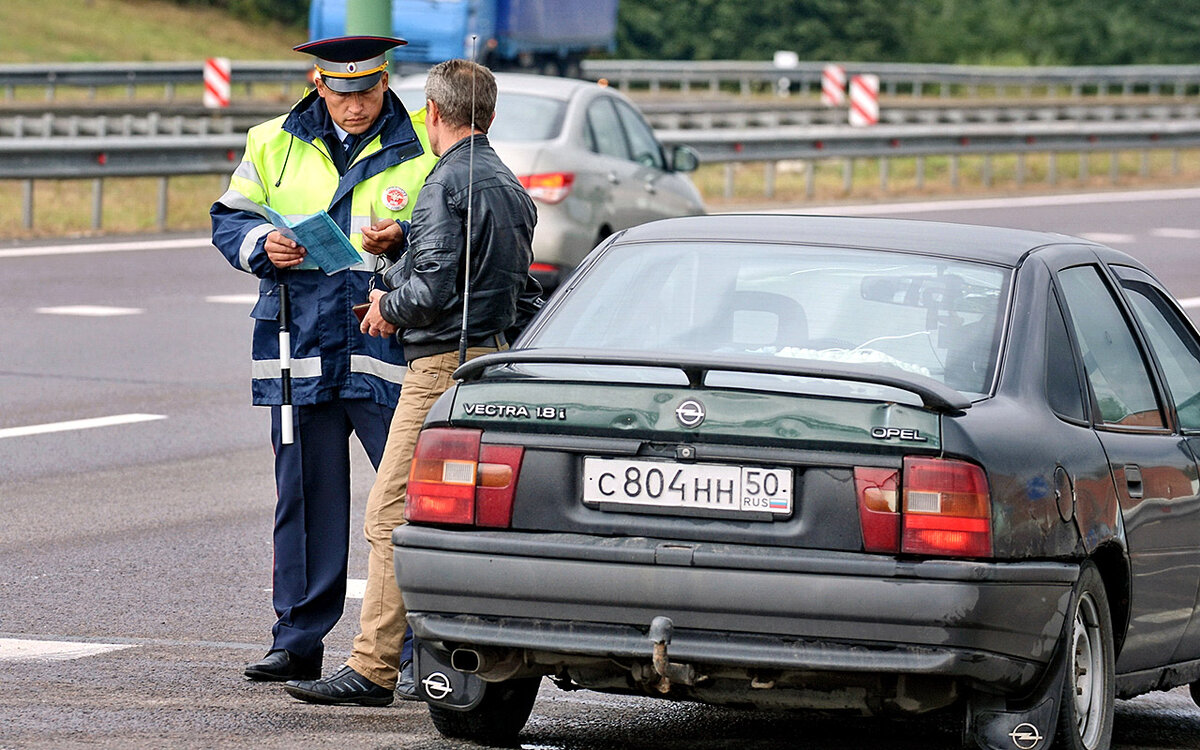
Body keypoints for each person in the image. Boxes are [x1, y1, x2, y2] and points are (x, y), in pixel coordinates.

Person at [284, 58, 541, 707]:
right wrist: (403, 245)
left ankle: (374, 666)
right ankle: (446, 654)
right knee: (457, 518)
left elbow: (436, 287)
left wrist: (384, 304)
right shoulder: (506, 184)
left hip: (438, 368)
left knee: (390, 513)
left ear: (433, 112)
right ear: (489, 112)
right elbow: (493, 281)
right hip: (491, 360)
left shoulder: (447, 181)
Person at [210, 35, 438, 683]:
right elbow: (231, 217)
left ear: (385, 82)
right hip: (299, 342)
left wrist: (405, 238)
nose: (356, 106)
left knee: (411, 502)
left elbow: (452, 226)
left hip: (384, 345)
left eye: (367, 92)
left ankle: (422, 646)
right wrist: (262, 243)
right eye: (342, 94)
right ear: (317, 84)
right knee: (303, 498)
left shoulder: (422, 142)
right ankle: (297, 639)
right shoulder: (271, 141)